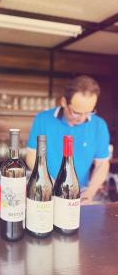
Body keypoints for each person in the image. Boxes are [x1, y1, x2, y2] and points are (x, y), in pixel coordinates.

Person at [26, 75, 110, 204]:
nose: (82, 118)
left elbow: (102, 164)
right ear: (64, 102)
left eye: (88, 112)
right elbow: (31, 157)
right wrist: (51, 185)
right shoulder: (43, 119)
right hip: (46, 191)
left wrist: (89, 193)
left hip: (80, 196)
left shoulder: (99, 125)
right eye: (76, 112)